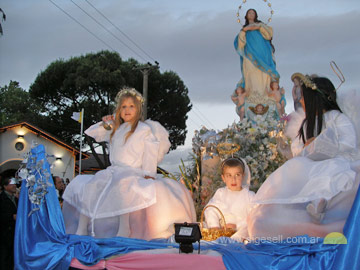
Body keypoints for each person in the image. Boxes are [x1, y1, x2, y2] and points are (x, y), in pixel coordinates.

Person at [62, 88, 196, 240]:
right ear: (118, 110)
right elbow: (92, 133)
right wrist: (106, 122)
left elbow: (150, 151)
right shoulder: (115, 128)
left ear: (138, 109)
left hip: (132, 171)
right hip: (113, 170)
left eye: (131, 106)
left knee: (123, 187)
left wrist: (149, 173)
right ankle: (82, 226)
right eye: (123, 107)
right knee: (89, 185)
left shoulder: (144, 130)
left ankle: (124, 227)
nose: (127, 110)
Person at [248, 74, 360, 239]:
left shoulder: (337, 118)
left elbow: (349, 142)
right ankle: (309, 203)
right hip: (311, 162)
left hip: (336, 159)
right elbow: (297, 147)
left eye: (304, 98)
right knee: (296, 167)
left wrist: (325, 144)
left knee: (331, 170)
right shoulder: (307, 123)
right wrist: (308, 147)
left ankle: (320, 201)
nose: (300, 102)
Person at [234, 8, 280, 105]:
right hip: (250, 56)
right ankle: (252, 99)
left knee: (264, 75)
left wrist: (258, 27)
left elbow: (269, 35)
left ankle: (266, 98)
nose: (251, 14)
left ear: (256, 15)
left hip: (263, 55)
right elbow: (239, 44)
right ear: (246, 16)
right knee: (251, 74)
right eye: (249, 13)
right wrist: (245, 30)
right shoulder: (244, 30)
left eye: (253, 13)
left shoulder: (261, 26)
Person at [204, 158, 254, 240]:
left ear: (243, 176)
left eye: (237, 175)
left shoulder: (249, 196)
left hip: (241, 234)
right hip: (222, 232)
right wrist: (215, 226)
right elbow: (210, 209)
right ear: (223, 178)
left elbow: (254, 217)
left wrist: (237, 225)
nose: (233, 180)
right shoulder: (221, 193)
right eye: (229, 175)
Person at [0, 177, 18, 270]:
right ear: (5, 186)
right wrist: (11, 217)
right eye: (12, 184)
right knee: (4, 257)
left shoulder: (16, 199)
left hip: (14, 233)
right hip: (5, 233)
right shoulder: (2, 199)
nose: (15, 185)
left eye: (15, 183)